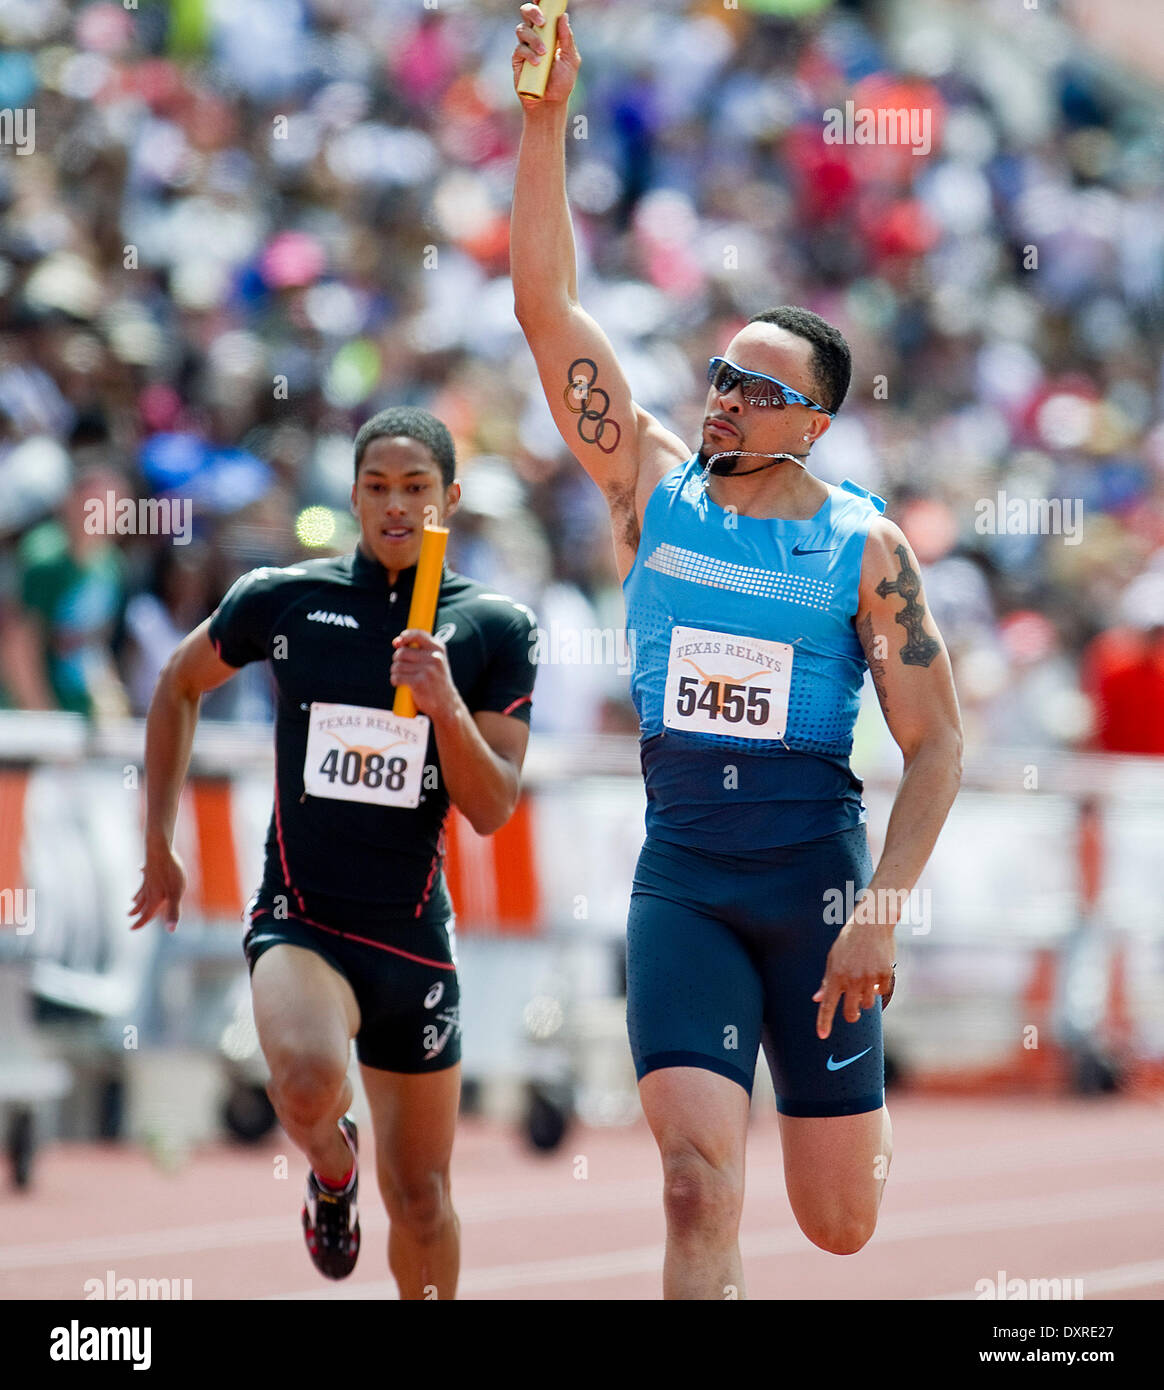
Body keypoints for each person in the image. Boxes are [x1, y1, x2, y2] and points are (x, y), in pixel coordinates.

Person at [510, 9, 963, 1298]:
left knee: (837, 1225)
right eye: (718, 373)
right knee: (695, 1181)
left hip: (817, 891)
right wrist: (546, 125)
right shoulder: (649, 486)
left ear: (811, 424)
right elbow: (548, 308)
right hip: (688, 882)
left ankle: (852, 1114)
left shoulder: (865, 550)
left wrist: (879, 913)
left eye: (754, 388)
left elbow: (937, 743)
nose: (720, 396)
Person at [129, 407, 538, 1299]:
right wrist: (158, 840)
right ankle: (331, 1170)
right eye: (378, 488)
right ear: (353, 495)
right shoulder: (285, 599)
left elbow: (493, 808)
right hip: (302, 918)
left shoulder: (494, 629)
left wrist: (444, 706)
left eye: (417, 489)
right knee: (309, 1083)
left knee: (423, 1197)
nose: (396, 507)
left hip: (410, 940)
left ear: (450, 499)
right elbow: (177, 685)